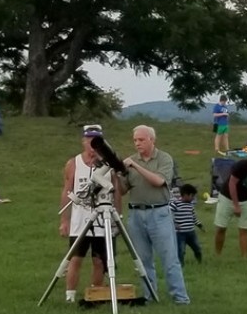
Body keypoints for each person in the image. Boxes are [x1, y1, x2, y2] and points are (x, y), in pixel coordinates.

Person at [121, 125, 190, 304]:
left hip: (158, 213)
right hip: (136, 214)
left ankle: (181, 298)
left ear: (152, 140)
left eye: (141, 140)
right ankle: (149, 296)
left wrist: (135, 166)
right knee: (143, 260)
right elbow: (122, 190)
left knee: (169, 258)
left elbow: (159, 181)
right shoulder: (130, 162)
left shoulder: (164, 158)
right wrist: (116, 175)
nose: (137, 144)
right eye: (135, 140)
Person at [60, 125, 122, 302]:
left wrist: (118, 216)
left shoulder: (108, 164)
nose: (92, 144)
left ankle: (95, 294)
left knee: (100, 261)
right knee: (75, 259)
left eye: (96, 140)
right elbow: (66, 190)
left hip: (104, 219)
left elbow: (117, 190)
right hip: (80, 220)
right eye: (89, 140)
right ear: (83, 141)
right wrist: (64, 220)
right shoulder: (73, 163)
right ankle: (70, 296)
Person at [171, 184, 204, 266]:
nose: (193, 198)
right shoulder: (175, 204)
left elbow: (193, 217)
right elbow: (168, 214)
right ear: (185, 194)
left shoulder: (190, 205)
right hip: (180, 233)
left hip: (191, 232)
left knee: (197, 248)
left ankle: (200, 261)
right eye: (192, 196)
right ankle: (181, 265)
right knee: (181, 250)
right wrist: (173, 223)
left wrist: (199, 225)